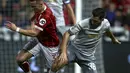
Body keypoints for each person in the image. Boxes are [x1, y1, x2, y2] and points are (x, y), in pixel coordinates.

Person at [51, 8, 121, 73]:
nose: (93, 22)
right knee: (58, 63)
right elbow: (67, 34)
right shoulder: (83, 23)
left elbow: (108, 31)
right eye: (92, 19)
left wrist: (113, 39)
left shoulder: (106, 24)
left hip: (87, 56)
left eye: (95, 21)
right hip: (74, 49)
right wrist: (63, 52)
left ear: (102, 19)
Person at [5, 0, 59, 73]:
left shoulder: (46, 16)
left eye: (34, 7)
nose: (33, 9)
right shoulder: (40, 7)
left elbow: (34, 33)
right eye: (32, 7)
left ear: (41, 4)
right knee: (20, 59)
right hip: (39, 40)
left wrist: (16, 29)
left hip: (50, 45)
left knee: (51, 70)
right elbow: (33, 19)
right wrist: (32, 22)